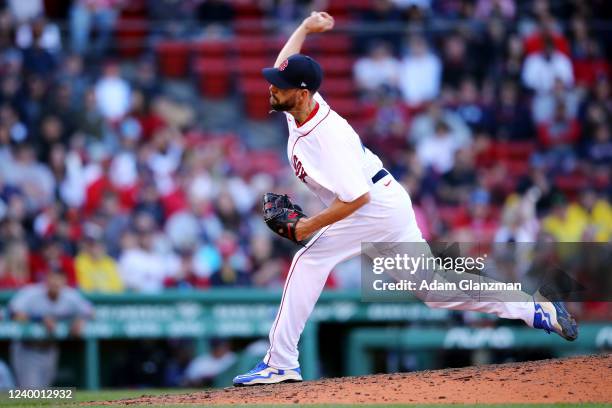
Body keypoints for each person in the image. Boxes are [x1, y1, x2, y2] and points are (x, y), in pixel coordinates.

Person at [232, 11, 578, 387]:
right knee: (433, 288)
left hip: (371, 206)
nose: (271, 87)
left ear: (301, 93)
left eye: (279, 85)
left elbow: (357, 199)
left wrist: (308, 226)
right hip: (387, 203)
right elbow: (283, 63)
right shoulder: (298, 107)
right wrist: (303, 28)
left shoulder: (327, 137)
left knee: (308, 258)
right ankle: (534, 308)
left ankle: (281, 362)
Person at [8, 270, 93, 388]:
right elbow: (14, 313)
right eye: (52, 279)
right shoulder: (32, 293)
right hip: (27, 348)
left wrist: (80, 319)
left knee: (44, 393)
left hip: (50, 348)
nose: (55, 283)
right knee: (30, 393)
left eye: (59, 280)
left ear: (64, 282)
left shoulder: (69, 295)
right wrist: (40, 319)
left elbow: (90, 311)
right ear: (46, 280)